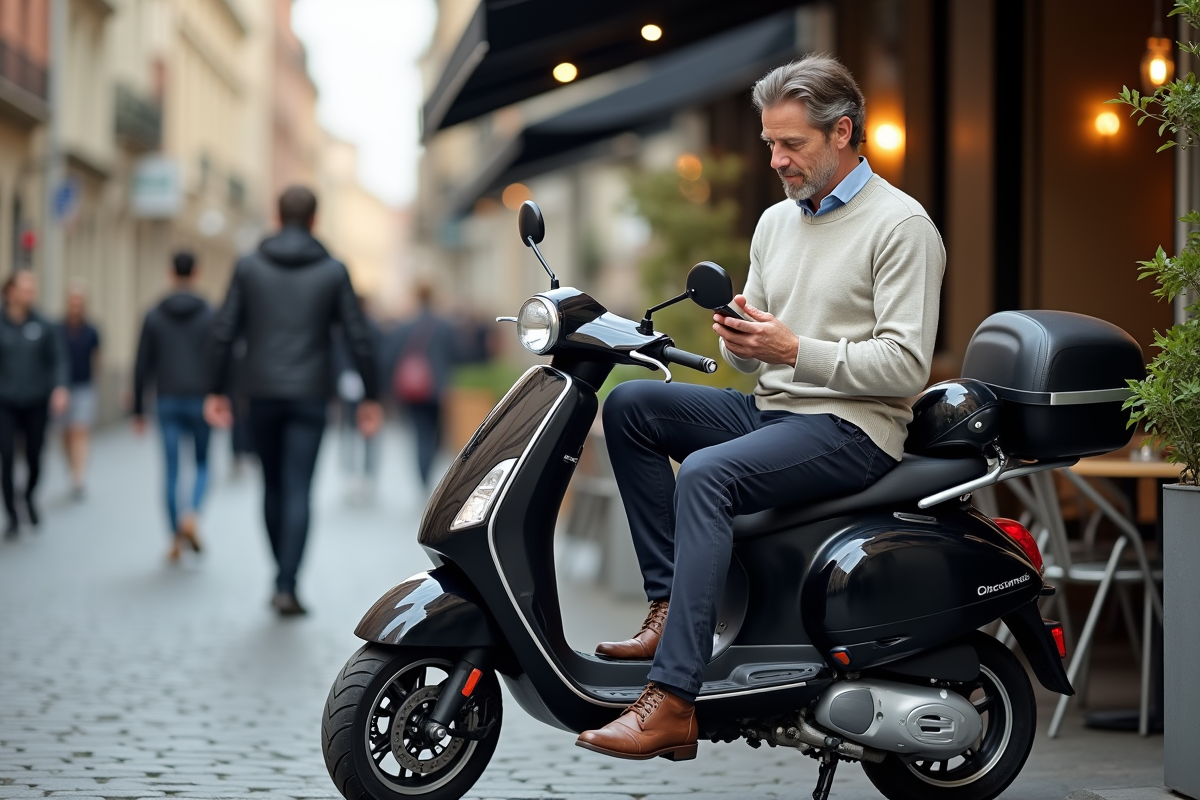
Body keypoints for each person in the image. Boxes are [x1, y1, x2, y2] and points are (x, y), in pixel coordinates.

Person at [576, 55, 946, 760]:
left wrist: (791, 348)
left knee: (708, 475)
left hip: (854, 427)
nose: (776, 159)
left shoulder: (903, 226)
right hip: (776, 409)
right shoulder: (776, 223)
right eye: (769, 144)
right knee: (631, 408)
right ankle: (667, 605)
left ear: (842, 133)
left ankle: (675, 699)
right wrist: (745, 338)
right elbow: (760, 357)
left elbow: (904, 366)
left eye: (792, 144)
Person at [204, 185, 382, 616]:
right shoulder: (334, 269)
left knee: (271, 485)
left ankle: (278, 576)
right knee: (299, 488)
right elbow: (357, 334)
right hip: (310, 395)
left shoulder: (248, 266)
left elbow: (225, 330)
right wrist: (372, 395)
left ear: (276, 215)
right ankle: (288, 583)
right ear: (315, 220)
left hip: (260, 392)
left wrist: (215, 390)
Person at [132, 251, 214, 562]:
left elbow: (142, 364)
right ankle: (190, 515)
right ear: (196, 272)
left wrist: (138, 409)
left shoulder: (153, 314)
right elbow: (222, 358)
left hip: (166, 399)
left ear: (170, 272)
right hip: (201, 399)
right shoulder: (209, 313)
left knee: (170, 471)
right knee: (204, 464)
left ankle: (173, 539)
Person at [0, 271, 68, 538]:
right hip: (5, 401)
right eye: (25, 288)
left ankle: (27, 495)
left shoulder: (44, 324)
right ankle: (12, 516)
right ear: (10, 292)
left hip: (37, 401)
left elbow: (58, 359)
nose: (30, 293)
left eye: (32, 288)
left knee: (34, 456)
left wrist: (60, 388)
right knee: (6, 457)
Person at [388, 284, 458, 490]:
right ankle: (429, 467)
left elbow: (392, 357)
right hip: (438, 389)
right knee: (436, 433)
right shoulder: (445, 326)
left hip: (412, 391)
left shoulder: (404, 326)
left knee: (420, 434)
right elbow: (457, 354)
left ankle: (423, 475)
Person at [60, 284, 101, 500]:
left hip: (84, 386)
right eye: (72, 301)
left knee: (80, 430)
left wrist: (97, 383)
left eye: (79, 301)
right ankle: (71, 467)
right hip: (62, 388)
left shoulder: (92, 330)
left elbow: (97, 358)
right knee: (65, 432)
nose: (75, 305)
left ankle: (79, 476)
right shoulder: (58, 328)